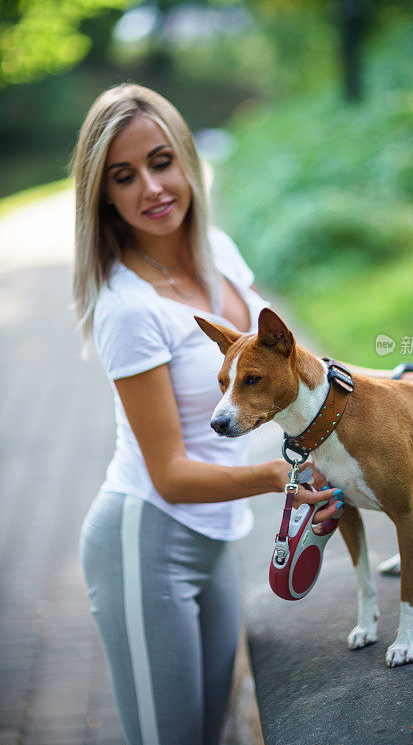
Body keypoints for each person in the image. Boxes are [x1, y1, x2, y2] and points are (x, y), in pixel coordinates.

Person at [73, 83, 342, 745]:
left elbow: (292, 367)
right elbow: (169, 473)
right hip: (146, 540)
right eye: (124, 176)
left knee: (211, 730)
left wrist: (395, 391)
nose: (152, 188)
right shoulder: (128, 308)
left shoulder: (218, 253)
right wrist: (280, 479)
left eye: (161, 162)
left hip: (218, 535)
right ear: (103, 194)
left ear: (187, 160)